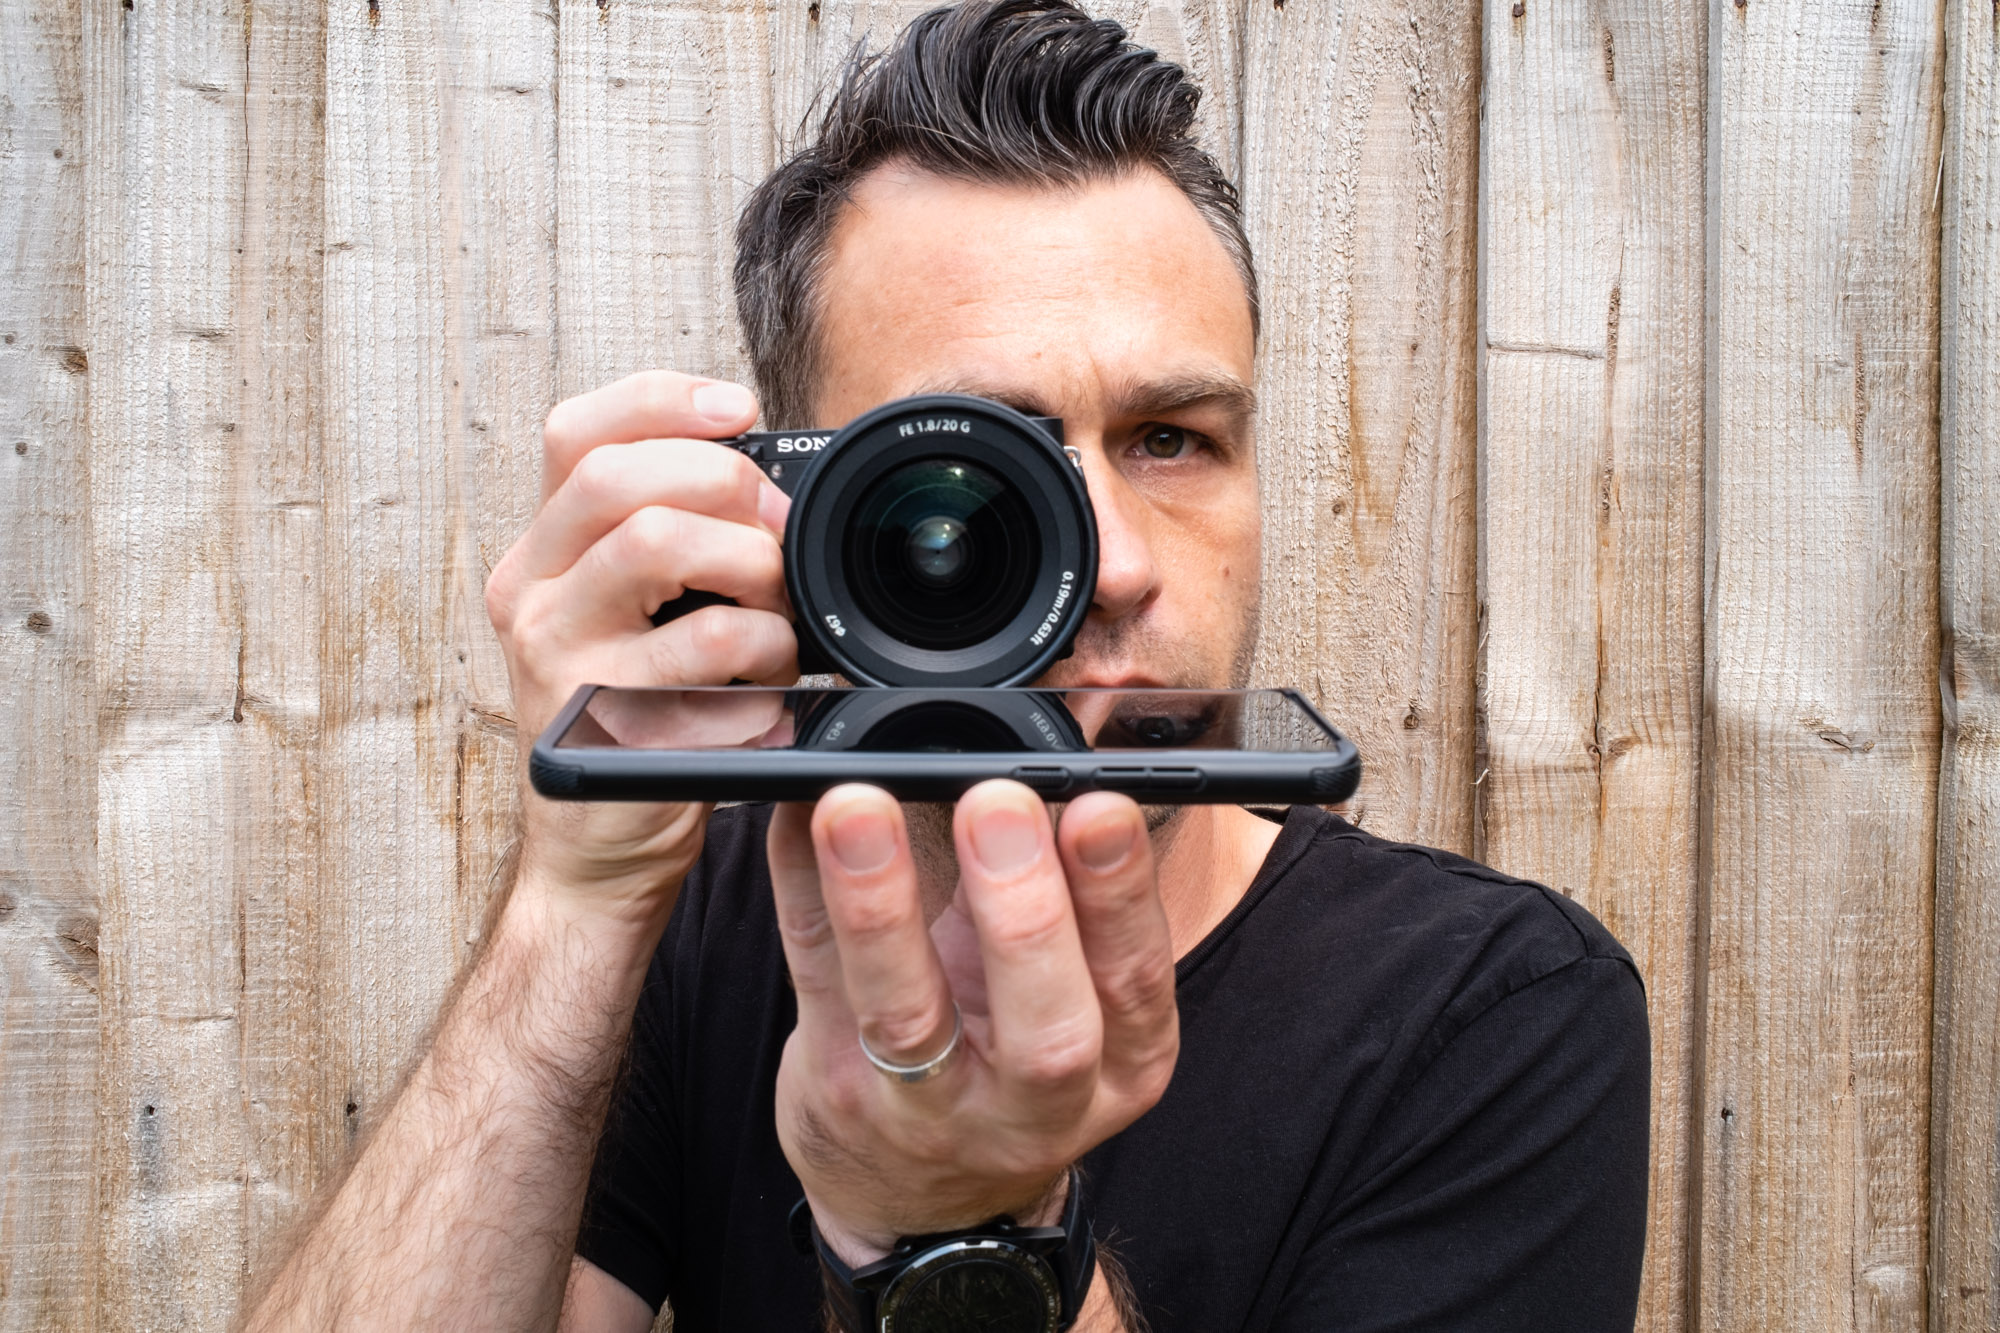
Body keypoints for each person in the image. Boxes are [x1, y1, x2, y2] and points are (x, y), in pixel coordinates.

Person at [243, 2, 1650, 1329]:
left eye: (1172, 440)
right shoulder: (701, 919)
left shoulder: (1492, 1007)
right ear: (791, 523)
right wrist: (573, 902)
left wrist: (963, 1235)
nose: (1114, 564)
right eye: (980, 475)